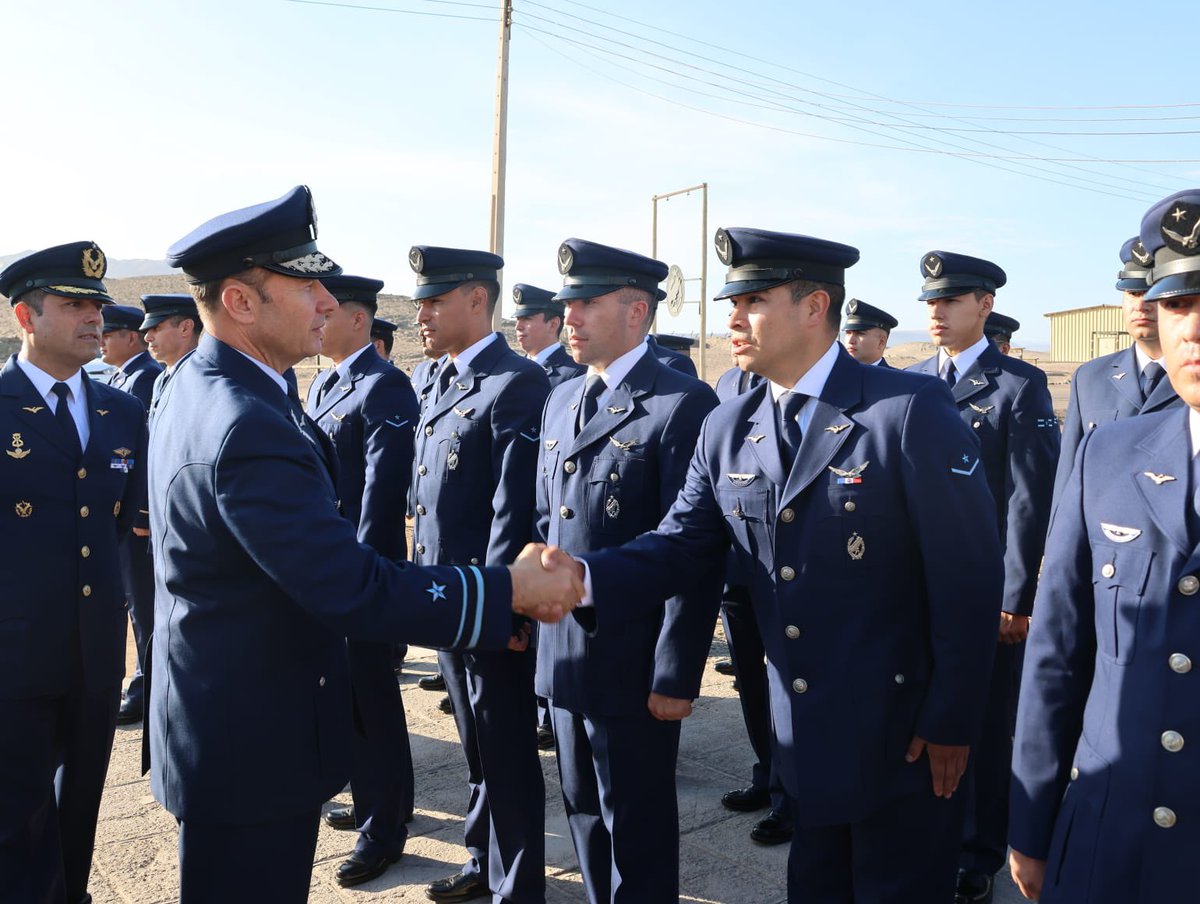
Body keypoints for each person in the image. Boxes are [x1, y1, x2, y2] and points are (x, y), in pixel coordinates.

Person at [148, 186, 578, 902]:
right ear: (242, 302)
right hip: (251, 743)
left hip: (226, 722)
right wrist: (508, 591)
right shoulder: (244, 420)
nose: (326, 301)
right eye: (306, 282)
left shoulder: (204, 383)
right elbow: (350, 585)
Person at [561, 225, 1003, 901]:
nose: (733, 318)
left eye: (754, 300)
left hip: (902, 740)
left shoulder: (906, 413)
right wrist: (580, 579)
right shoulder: (728, 425)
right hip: (804, 739)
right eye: (732, 304)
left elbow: (968, 579)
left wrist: (952, 718)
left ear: (815, 306)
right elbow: (682, 544)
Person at [1008, 188, 1200, 903]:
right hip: (1106, 843)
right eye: (1178, 302)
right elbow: (1059, 650)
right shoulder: (1109, 456)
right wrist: (1030, 820)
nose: (1192, 329)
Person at [534, 238, 721, 901]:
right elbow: (546, 524)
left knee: (636, 828)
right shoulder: (559, 398)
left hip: (634, 663)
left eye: (586, 304)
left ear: (637, 310)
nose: (570, 319)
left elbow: (695, 553)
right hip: (563, 655)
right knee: (583, 811)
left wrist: (675, 672)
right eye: (566, 306)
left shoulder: (681, 403)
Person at [906, 251, 1060, 904]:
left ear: (985, 305)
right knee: (920, 720)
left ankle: (979, 852)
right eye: (931, 302)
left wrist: (1015, 600)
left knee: (985, 730)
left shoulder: (1019, 386)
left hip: (982, 596)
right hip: (914, 594)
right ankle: (928, 836)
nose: (937, 312)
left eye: (951, 301)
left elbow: (1030, 500)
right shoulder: (907, 382)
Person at [0, 242, 148, 904]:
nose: (95, 318)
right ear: (25, 319)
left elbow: (122, 524)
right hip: (13, 656)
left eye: (97, 306)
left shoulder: (122, 411)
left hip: (93, 653)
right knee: (15, 824)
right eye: (74, 306)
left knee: (79, 812)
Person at [408, 245, 551, 903]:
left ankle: (516, 885)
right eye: (420, 301)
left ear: (475, 299)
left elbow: (512, 507)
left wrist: (503, 608)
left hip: (488, 603)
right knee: (475, 744)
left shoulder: (516, 382)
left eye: (434, 300)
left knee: (506, 749)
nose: (422, 313)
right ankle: (480, 858)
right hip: (447, 598)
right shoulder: (437, 379)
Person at [304, 274, 420, 887]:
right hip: (333, 569)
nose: (315, 322)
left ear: (358, 320)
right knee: (351, 698)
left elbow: (381, 495)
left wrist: (355, 578)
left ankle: (385, 830)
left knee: (373, 700)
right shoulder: (328, 381)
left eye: (327, 313)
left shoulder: (384, 386)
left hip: (361, 573)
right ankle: (380, 801)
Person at [711, 357, 793, 846]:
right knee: (749, 678)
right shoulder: (725, 382)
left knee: (788, 683)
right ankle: (767, 773)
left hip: (781, 564)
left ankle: (792, 796)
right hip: (735, 563)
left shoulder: (795, 378)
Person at [1052, 237, 1183, 509]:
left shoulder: (1191, 377)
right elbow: (1069, 480)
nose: (1141, 304)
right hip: (1104, 545)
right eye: (1132, 293)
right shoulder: (1090, 378)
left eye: (1154, 292)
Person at [100, 303, 162, 726]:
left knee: (143, 605)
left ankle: (148, 686)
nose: (101, 340)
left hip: (134, 514)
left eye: (110, 333)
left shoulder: (144, 378)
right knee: (131, 601)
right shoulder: (124, 376)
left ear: (132, 337)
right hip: (117, 510)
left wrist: (139, 511)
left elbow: (143, 451)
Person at [139, 293, 201, 417]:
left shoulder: (201, 378)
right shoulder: (162, 378)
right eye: (147, 330)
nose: (147, 337)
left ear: (185, 328)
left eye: (156, 328)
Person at [512, 282, 584, 387]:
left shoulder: (575, 374)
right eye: (517, 319)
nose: (518, 327)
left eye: (527, 319)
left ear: (553, 324)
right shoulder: (513, 369)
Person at [841, 298, 898, 367]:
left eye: (860, 333)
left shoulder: (895, 377)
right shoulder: (834, 375)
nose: (850, 341)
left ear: (881, 342)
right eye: (848, 333)